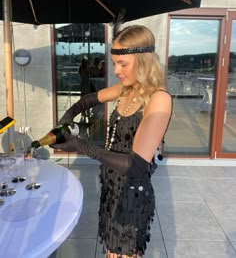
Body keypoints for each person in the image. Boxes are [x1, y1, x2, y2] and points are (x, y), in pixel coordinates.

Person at [51, 25, 172, 258]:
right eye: (114, 62)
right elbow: (89, 99)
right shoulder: (127, 89)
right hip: (111, 188)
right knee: (110, 252)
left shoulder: (158, 100)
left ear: (144, 61)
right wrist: (69, 114)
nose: (116, 70)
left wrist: (80, 145)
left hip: (131, 195)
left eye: (122, 64)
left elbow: (136, 164)